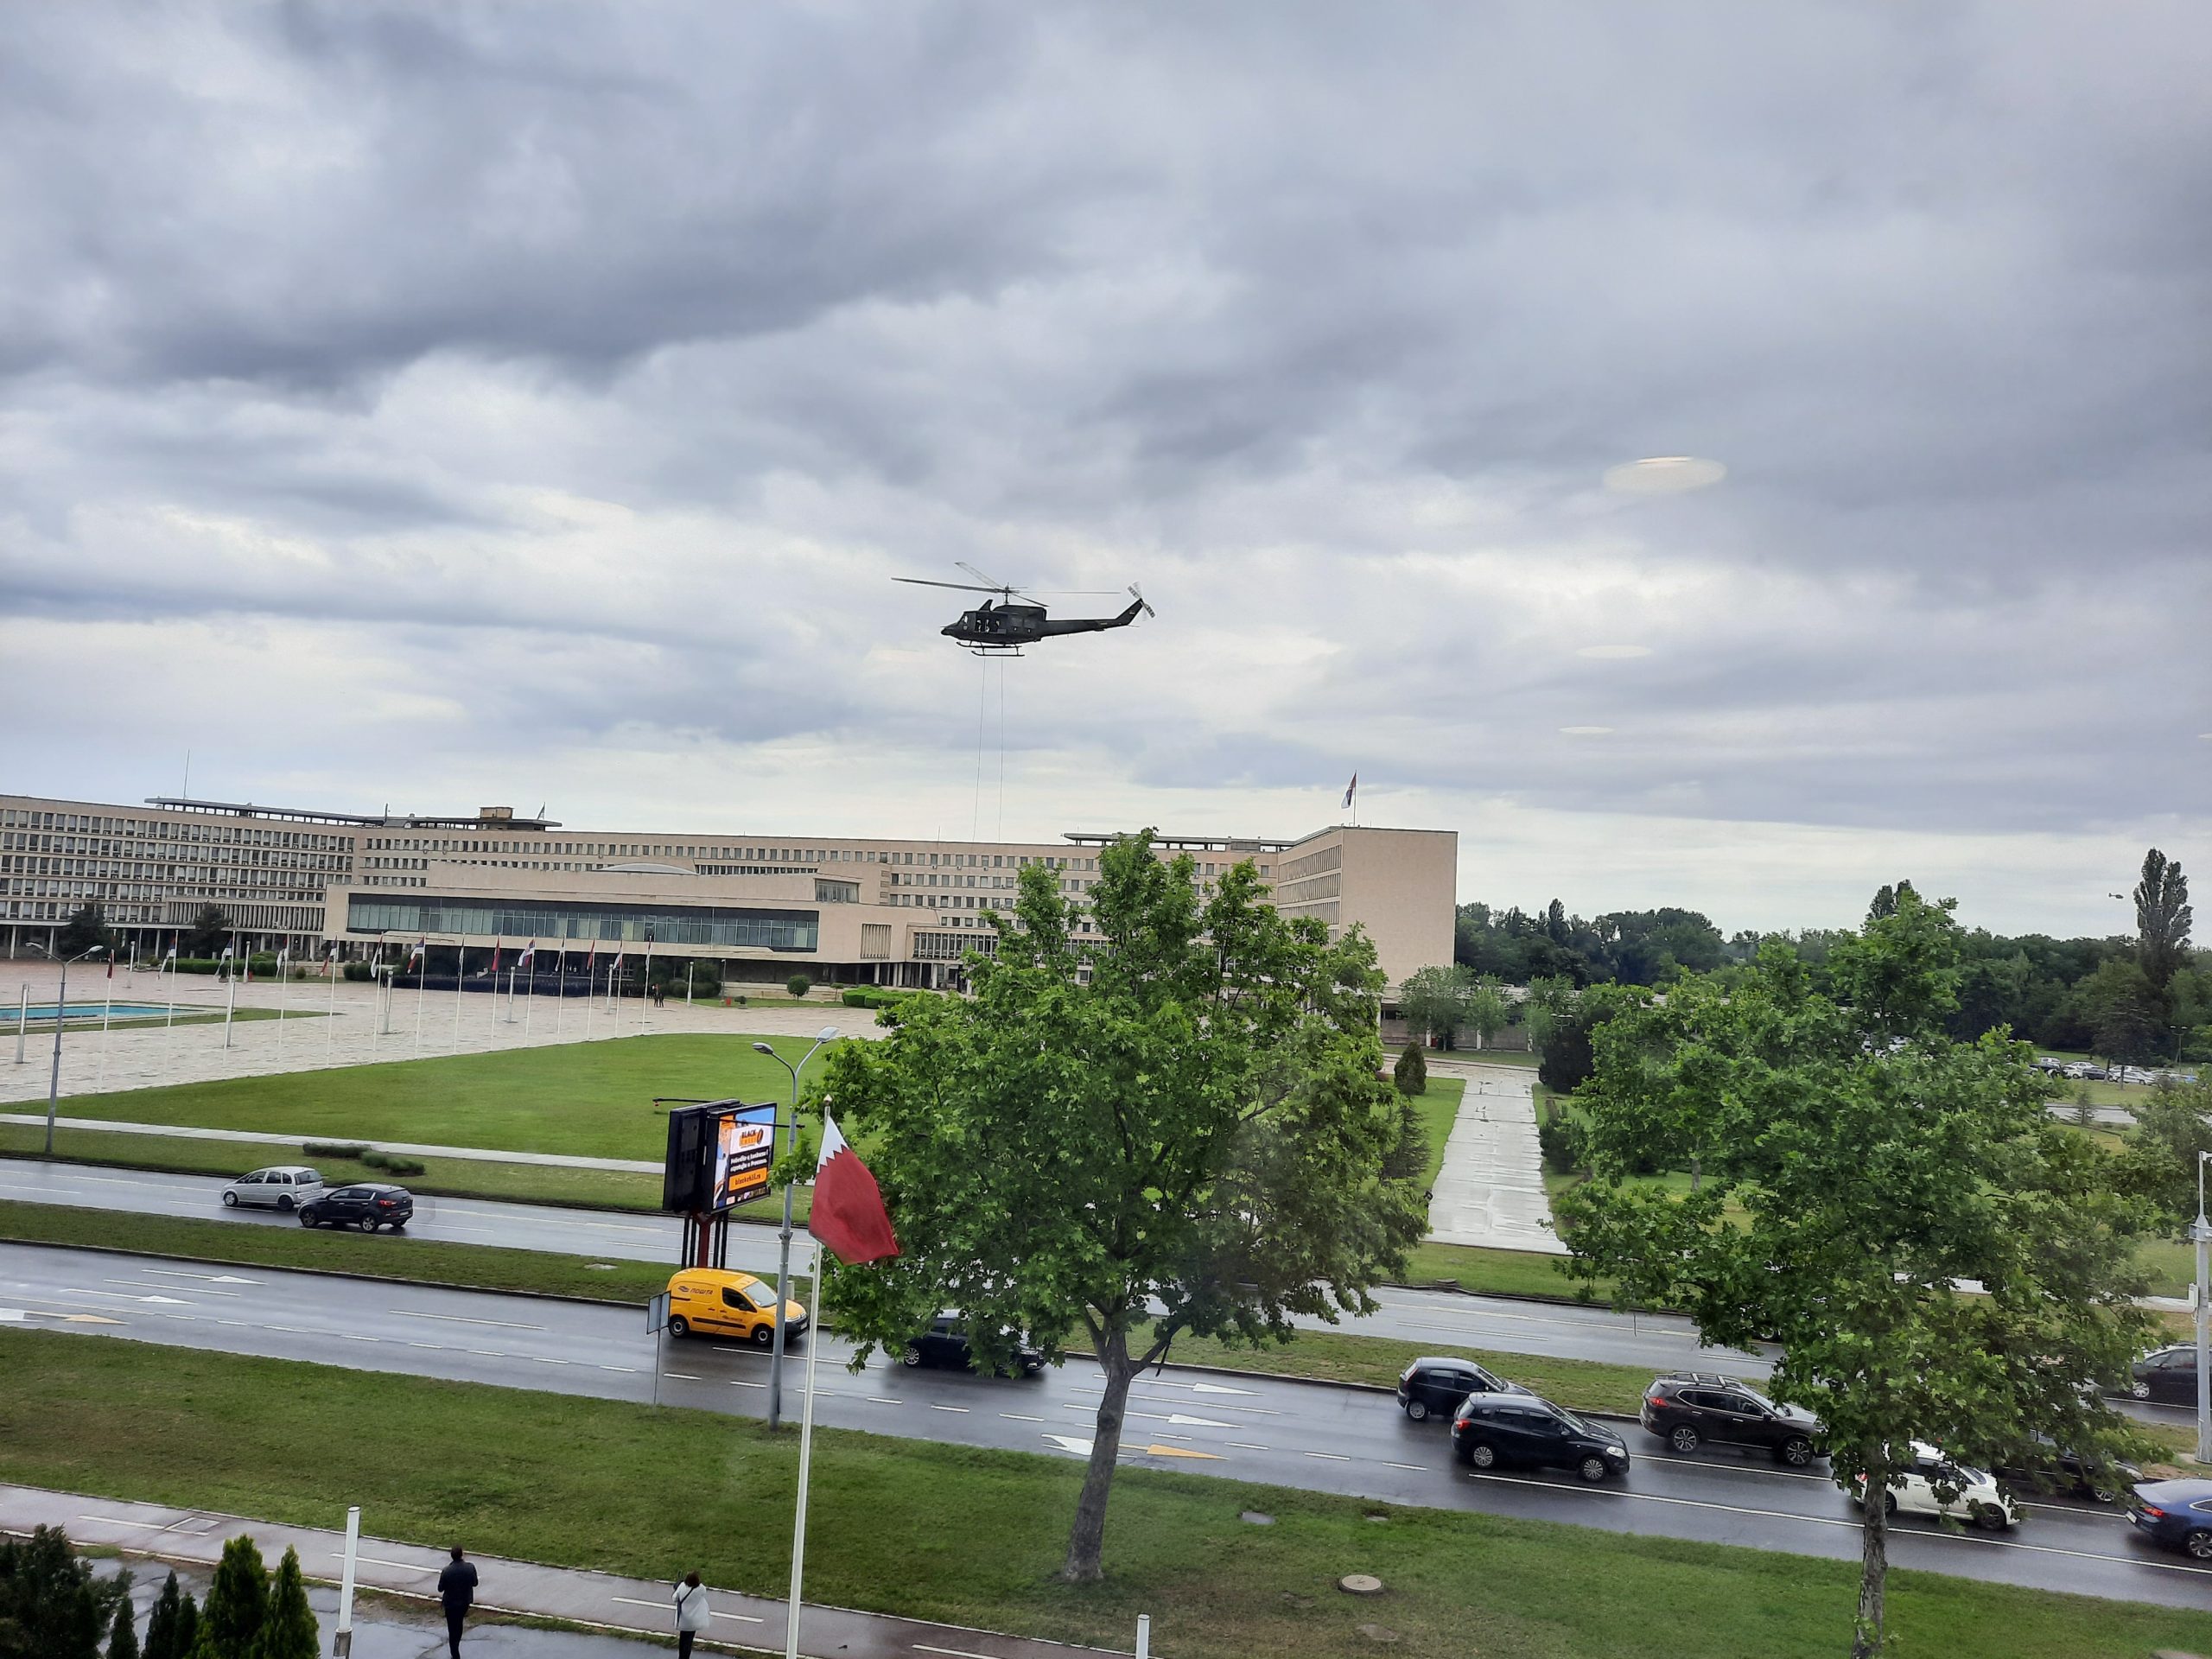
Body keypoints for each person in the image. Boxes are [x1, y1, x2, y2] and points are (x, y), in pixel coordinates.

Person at [438, 1545, 479, 1657]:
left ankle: (455, 1652)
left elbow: (440, 1588)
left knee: (452, 1628)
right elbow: (475, 1583)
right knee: (459, 1624)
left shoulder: (446, 1571)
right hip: (464, 1602)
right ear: (462, 1554)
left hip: (450, 1604)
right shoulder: (470, 1568)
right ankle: (456, 1646)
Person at [673, 1571, 711, 1657]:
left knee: (682, 1641)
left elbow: (674, 1598)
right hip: (694, 1620)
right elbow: (704, 1592)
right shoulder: (701, 1588)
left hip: (683, 1619)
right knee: (689, 1642)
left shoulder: (682, 1586)